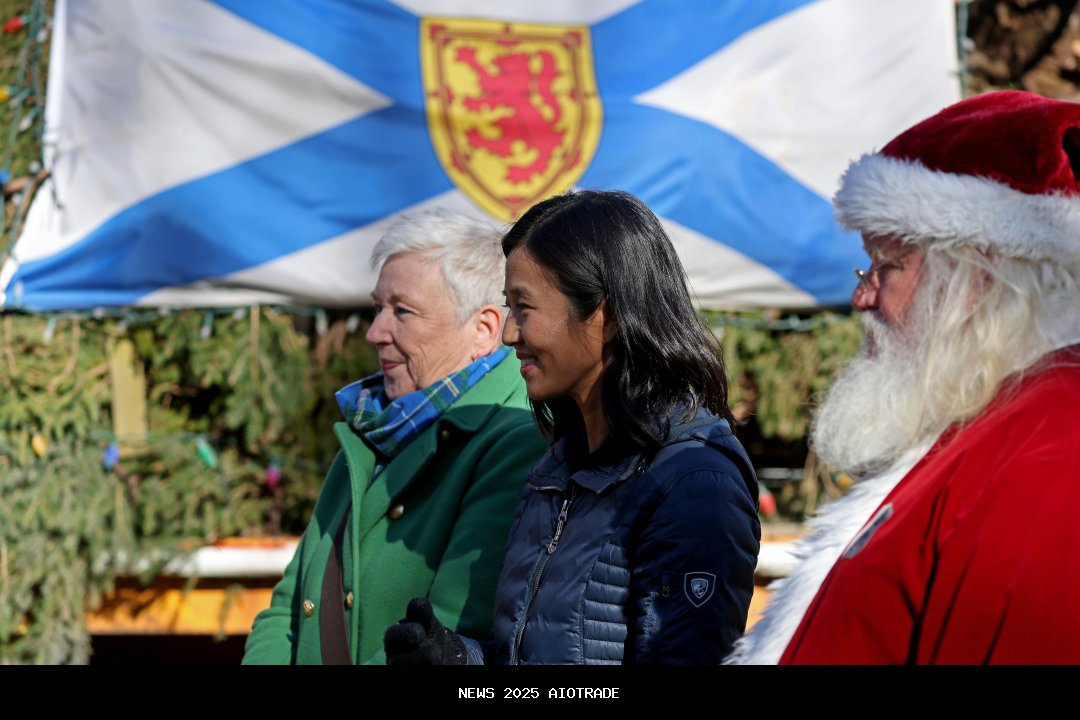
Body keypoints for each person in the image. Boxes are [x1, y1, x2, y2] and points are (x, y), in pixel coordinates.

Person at [728, 90, 1080, 665]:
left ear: (980, 277)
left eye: (886, 266)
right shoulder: (991, 426)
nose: (860, 294)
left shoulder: (1050, 448)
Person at [384, 190, 761, 665]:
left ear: (606, 317)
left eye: (525, 307)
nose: (509, 334)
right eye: (508, 307)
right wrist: (462, 660)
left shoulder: (695, 483)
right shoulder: (557, 467)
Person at [242, 209, 547, 664]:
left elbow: (449, 639)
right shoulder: (373, 426)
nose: (374, 332)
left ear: (483, 330)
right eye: (378, 307)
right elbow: (289, 608)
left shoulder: (514, 439)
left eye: (402, 311)